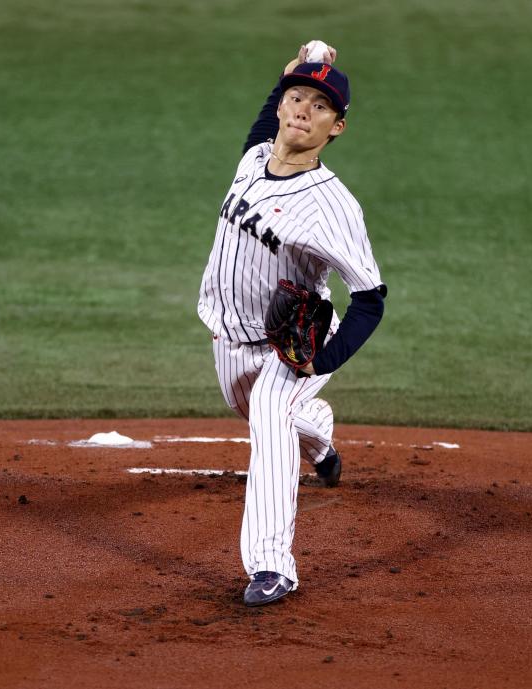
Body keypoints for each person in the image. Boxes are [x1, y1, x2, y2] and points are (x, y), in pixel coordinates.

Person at [197, 44, 387, 606]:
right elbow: (268, 121)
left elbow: (370, 299)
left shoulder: (333, 209)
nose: (303, 109)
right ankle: (322, 441)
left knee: (271, 418)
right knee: (252, 410)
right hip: (229, 338)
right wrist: (287, 76)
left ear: (338, 127)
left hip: (291, 347)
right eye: (296, 97)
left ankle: (271, 566)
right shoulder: (255, 157)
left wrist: (319, 361)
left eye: (320, 106)